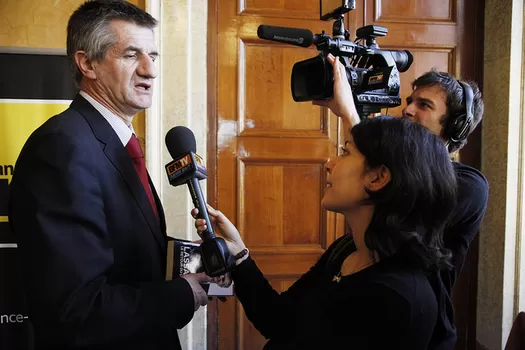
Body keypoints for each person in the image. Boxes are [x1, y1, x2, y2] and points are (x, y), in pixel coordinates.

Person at [8, 1, 210, 349]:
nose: (150, 70)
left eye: (154, 55)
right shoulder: (62, 148)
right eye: (132, 55)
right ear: (87, 63)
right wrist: (180, 295)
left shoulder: (112, 140)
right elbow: (76, 310)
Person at [193, 116, 458, 349]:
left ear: (378, 179)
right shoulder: (346, 249)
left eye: (345, 152)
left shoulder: (399, 298)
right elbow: (279, 321)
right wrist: (238, 252)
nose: (330, 163)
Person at [313, 54, 489, 349]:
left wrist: (350, 114)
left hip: (421, 330)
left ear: (455, 126)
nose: (407, 110)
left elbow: (399, 204)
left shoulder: (469, 185)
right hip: (371, 307)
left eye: (424, 105)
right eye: (410, 100)